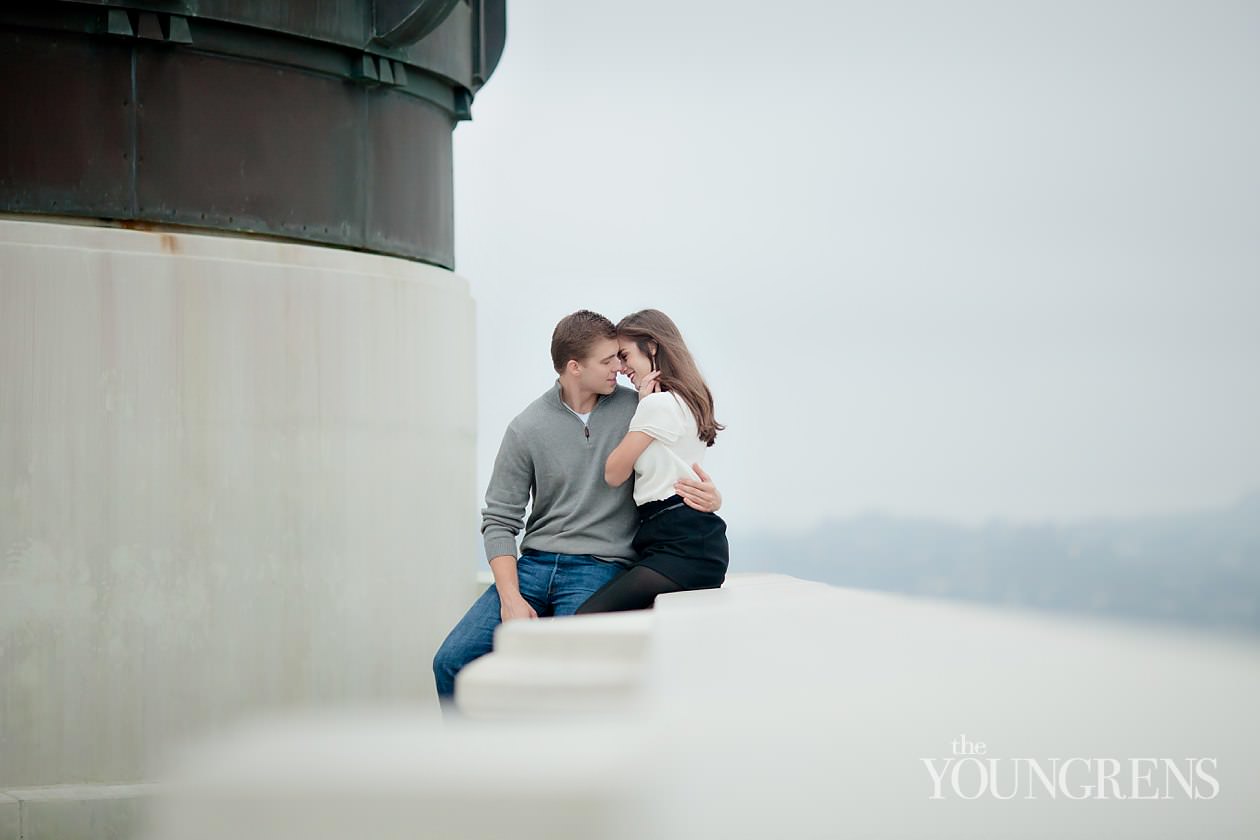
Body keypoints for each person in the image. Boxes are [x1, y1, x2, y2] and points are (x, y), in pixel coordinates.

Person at [431, 310, 722, 704]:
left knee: (564, 671)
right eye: (607, 361)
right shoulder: (526, 427)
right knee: (450, 661)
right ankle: (473, 761)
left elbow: (678, 459)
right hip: (533, 567)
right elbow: (499, 520)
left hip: (600, 565)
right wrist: (511, 598)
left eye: (620, 358)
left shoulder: (638, 407)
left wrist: (714, 497)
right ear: (574, 367)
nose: (619, 369)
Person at [575, 310, 728, 613]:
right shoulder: (687, 399)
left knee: (585, 618)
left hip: (678, 543)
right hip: (691, 539)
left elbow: (614, 472)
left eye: (624, 355)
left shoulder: (658, 405)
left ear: (653, 346)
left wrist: (643, 408)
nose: (620, 368)